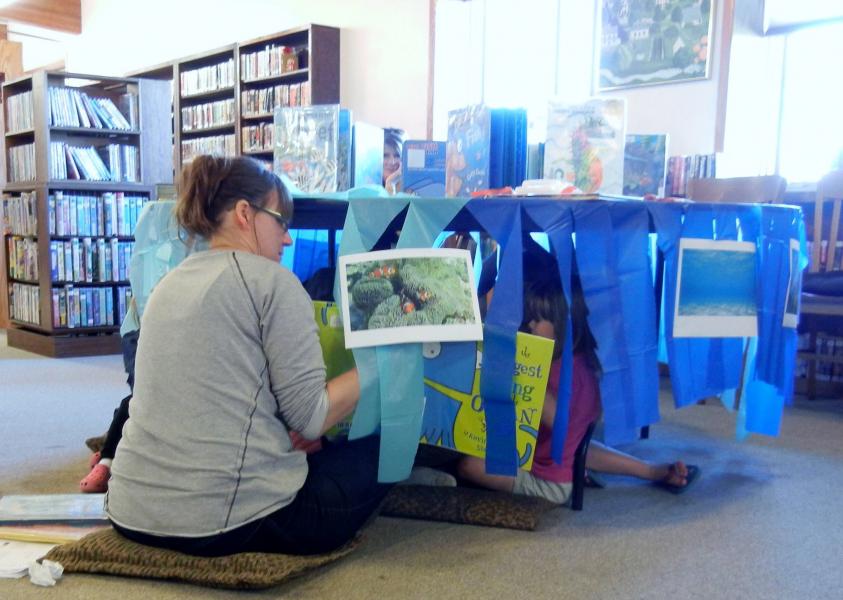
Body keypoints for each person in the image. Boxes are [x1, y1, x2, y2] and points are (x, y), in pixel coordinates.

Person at [105, 155, 392, 557]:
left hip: (128, 510)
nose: (288, 239)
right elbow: (311, 418)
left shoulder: (169, 282)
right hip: (225, 524)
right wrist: (387, 359)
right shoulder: (273, 282)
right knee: (386, 447)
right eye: (281, 222)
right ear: (244, 213)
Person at [458, 254, 699, 504]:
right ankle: (651, 470)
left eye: (537, 319)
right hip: (562, 453)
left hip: (547, 481)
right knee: (578, 447)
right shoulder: (578, 358)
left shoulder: (567, 376)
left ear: (564, 323)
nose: (528, 324)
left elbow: (558, 421)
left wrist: (517, 370)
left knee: (469, 464)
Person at [383, 127, 404, 193]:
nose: (392, 162)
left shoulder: (410, 190)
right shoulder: (365, 188)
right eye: (385, 156)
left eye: (397, 156)